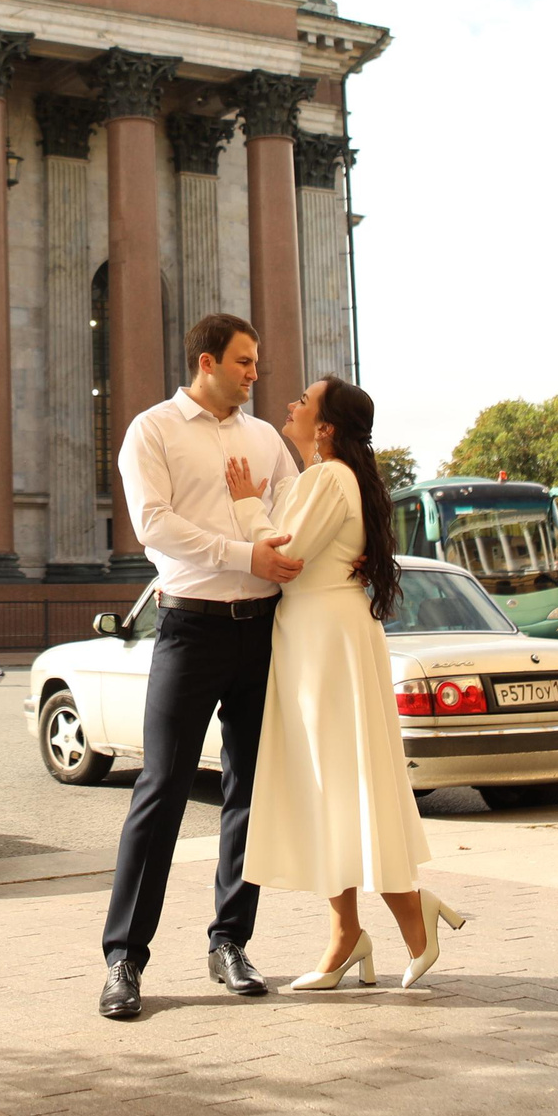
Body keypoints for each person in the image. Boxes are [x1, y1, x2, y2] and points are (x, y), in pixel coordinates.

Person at [227, 375, 462, 990]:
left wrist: (248, 505)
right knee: (333, 784)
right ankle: (349, 934)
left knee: (340, 782)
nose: (290, 403)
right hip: (324, 638)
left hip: (322, 643)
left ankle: (407, 917)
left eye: (303, 400)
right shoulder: (332, 478)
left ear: (325, 427)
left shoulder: (328, 477)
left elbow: (287, 554)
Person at [98, 312, 301, 1023]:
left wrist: (275, 547)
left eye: (257, 363)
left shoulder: (266, 438)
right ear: (207, 361)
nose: (255, 374)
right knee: (162, 790)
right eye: (244, 362)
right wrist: (246, 552)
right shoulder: (152, 430)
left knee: (249, 790)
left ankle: (231, 943)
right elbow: (154, 524)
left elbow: (288, 516)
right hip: (189, 627)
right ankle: (125, 958)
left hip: (262, 630)